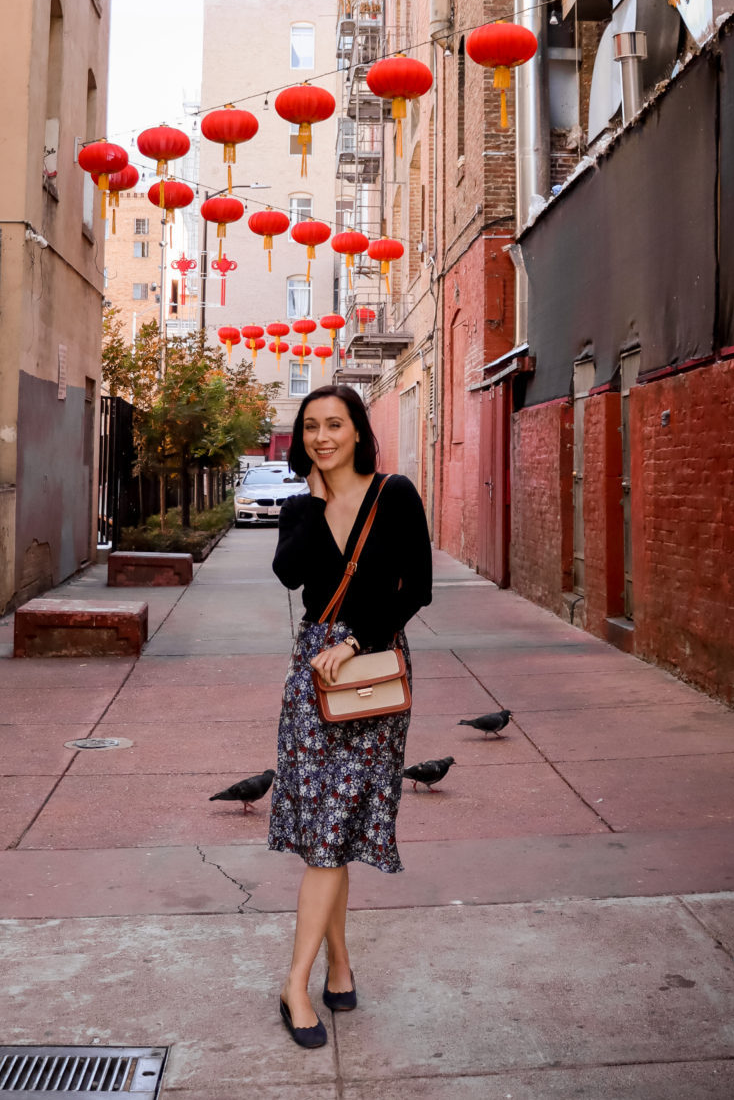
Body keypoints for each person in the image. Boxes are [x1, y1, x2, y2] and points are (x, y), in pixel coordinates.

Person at [267, 385, 433, 1048]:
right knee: (326, 831)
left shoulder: (395, 494)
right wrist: (312, 498)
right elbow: (288, 575)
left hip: (370, 670)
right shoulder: (299, 509)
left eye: (334, 424)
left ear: (358, 430)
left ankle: (297, 979)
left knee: (337, 825)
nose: (323, 435)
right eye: (311, 426)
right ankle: (331, 965)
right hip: (313, 676)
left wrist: (357, 639)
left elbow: (416, 586)